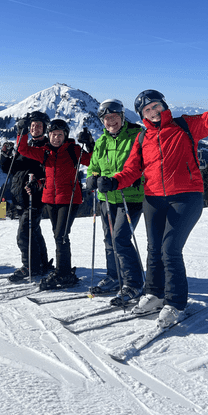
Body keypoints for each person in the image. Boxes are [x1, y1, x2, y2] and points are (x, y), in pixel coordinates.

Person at [97, 76, 208, 327]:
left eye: (155, 106)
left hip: (186, 197)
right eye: (147, 110)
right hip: (153, 199)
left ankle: (175, 303)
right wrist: (113, 181)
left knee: (170, 250)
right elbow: (131, 170)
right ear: (142, 115)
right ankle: (154, 293)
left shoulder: (185, 125)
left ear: (163, 105)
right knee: (154, 249)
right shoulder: (142, 138)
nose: (153, 112)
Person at [17, 118, 93, 290]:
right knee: (58, 236)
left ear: (65, 136)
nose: (56, 138)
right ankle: (63, 271)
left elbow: (92, 160)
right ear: (48, 135)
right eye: (53, 134)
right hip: (50, 200)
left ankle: (63, 273)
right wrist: (22, 132)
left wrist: (90, 143)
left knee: (61, 236)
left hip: (70, 199)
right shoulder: (45, 152)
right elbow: (23, 149)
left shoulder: (73, 150)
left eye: (60, 135)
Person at [87, 99, 145, 305]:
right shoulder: (102, 141)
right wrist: (92, 177)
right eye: (106, 118)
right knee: (109, 240)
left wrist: (128, 179)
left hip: (130, 197)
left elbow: (144, 164)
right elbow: (94, 166)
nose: (110, 121)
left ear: (122, 117)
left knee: (120, 239)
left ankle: (134, 283)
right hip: (106, 198)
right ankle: (114, 276)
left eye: (114, 117)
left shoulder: (137, 136)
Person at [0, 111, 52, 282]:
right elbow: (10, 169)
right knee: (34, 232)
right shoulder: (26, 146)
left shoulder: (46, 148)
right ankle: (41, 263)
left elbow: (47, 173)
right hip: (21, 198)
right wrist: (5, 155)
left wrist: (38, 184)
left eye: (39, 125)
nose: (35, 128)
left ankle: (30, 266)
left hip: (34, 198)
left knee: (24, 235)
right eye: (32, 125)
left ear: (45, 128)